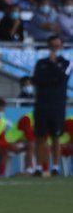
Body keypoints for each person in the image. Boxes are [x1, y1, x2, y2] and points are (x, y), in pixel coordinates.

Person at [32, 35, 72, 176]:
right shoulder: (41, 63)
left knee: (56, 137)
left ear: (61, 46)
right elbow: (37, 80)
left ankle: (55, 166)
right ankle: (39, 166)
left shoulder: (66, 63)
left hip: (57, 106)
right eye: (52, 45)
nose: (55, 48)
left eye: (57, 45)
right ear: (48, 46)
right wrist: (51, 75)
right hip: (42, 104)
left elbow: (62, 78)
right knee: (40, 137)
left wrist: (53, 65)